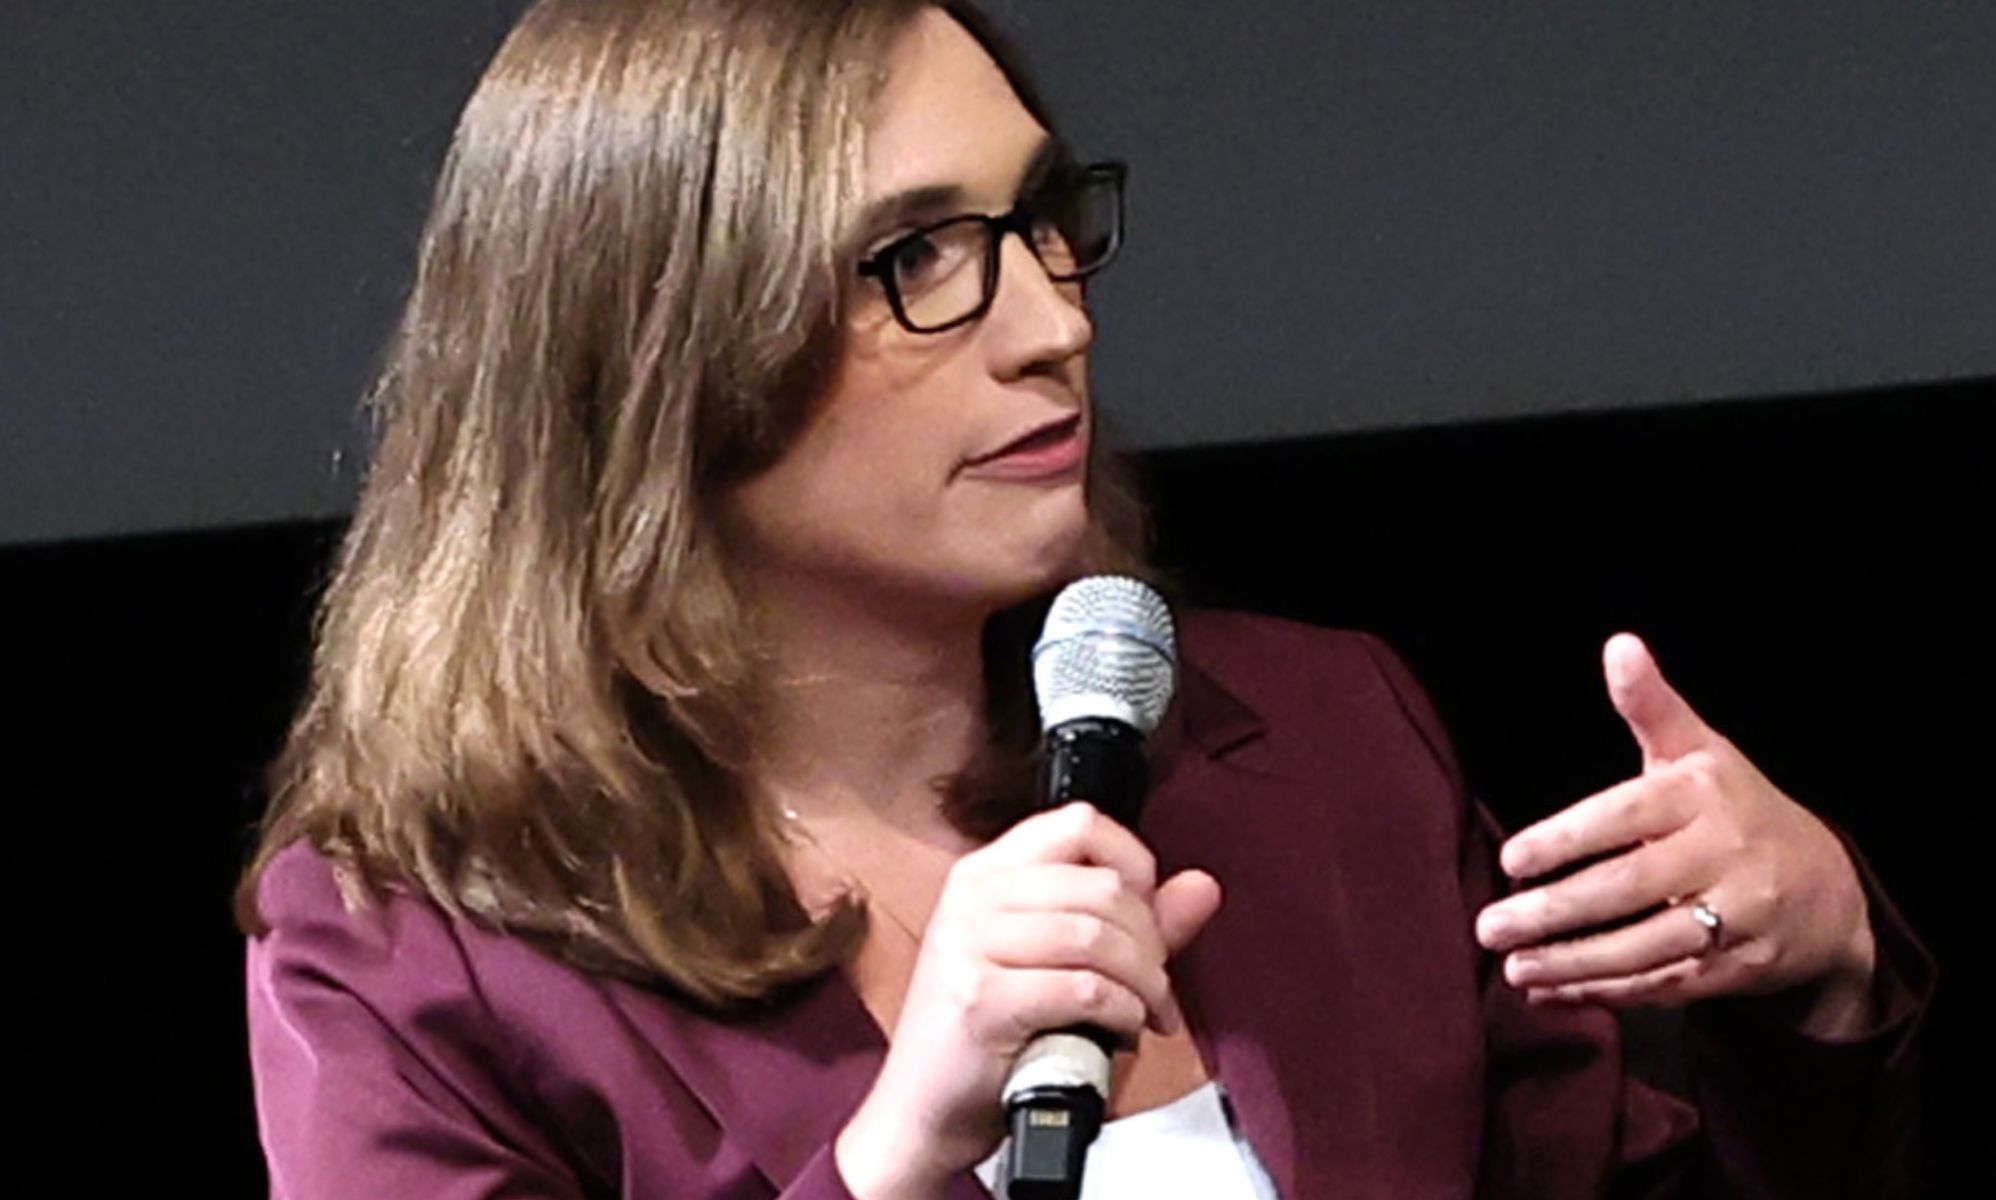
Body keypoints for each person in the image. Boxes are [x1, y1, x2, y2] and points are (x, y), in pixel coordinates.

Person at [237, 1, 1931, 1197]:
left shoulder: (1321, 740)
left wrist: (1821, 974)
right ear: (661, 358)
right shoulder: (420, 953)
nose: (1054, 322)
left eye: (1040, 220)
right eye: (914, 261)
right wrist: (900, 1159)